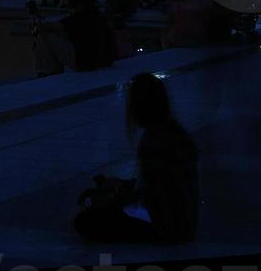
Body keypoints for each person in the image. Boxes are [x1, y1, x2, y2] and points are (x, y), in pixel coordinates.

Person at [74, 73, 199, 243]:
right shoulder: (173, 131)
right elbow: (157, 184)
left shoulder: (153, 141)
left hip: (166, 227)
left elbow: (149, 198)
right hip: (182, 223)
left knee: (85, 220)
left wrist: (110, 199)